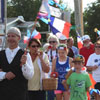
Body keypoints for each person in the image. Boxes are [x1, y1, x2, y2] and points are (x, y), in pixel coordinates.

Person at [0, 27, 34, 100]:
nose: (10, 39)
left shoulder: (25, 54)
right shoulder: (1, 54)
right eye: (8, 36)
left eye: (13, 36)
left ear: (18, 38)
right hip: (3, 94)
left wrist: (25, 64)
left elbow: (29, 75)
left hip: (20, 94)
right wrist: (4, 75)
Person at [47, 34, 59, 100]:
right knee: (50, 95)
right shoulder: (47, 51)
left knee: (59, 95)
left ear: (57, 42)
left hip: (59, 75)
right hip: (49, 76)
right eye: (50, 42)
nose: (52, 43)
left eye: (53, 42)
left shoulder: (60, 51)